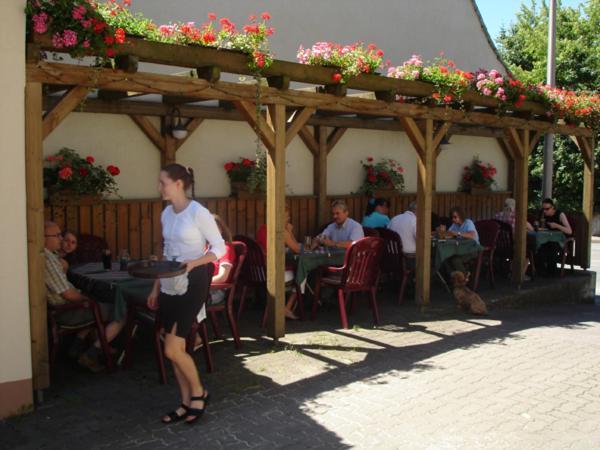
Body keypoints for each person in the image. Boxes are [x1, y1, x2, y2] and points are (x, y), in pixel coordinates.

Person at [146, 164, 226, 425]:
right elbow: (167, 253)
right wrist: (156, 287)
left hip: (193, 282)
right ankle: (185, 402)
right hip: (170, 281)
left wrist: (194, 263)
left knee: (172, 348)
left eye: (163, 182)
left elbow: (219, 248)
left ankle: (199, 392)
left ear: (179, 183)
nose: (159, 187)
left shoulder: (197, 212)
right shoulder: (166, 213)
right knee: (174, 349)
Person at [44, 221, 124, 372]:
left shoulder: (50, 256)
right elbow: (68, 294)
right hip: (65, 311)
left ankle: (77, 345)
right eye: (57, 236)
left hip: (64, 307)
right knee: (121, 310)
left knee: (98, 301)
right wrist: (89, 301)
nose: (61, 240)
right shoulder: (48, 260)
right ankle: (92, 353)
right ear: (43, 238)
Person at [255, 206, 302, 319]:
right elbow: (297, 249)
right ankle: (287, 307)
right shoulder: (282, 232)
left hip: (260, 273)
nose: (288, 218)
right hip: (275, 274)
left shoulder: (262, 228)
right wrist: (290, 231)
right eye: (287, 216)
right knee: (302, 273)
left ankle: (285, 307)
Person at [536, 198, 572, 275]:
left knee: (551, 247)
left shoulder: (560, 214)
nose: (545, 211)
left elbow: (569, 231)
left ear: (553, 207)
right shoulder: (542, 214)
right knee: (538, 246)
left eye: (547, 209)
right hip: (546, 238)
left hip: (559, 240)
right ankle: (541, 270)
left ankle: (552, 272)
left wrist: (557, 225)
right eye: (543, 209)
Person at [442, 206, 480, 277]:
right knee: (446, 257)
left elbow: (472, 235)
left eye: (455, 217)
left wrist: (457, 233)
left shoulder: (468, 222)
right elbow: (448, 234)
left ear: (461, 216)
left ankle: (464, 279)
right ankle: (453, 278)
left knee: (455, 260)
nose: (453, 219)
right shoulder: (455, 224)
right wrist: (441, 233)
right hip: (461, 249)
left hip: (472, 249)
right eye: (452, 217)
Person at [388, 201, 417, 267]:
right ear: (418, 210)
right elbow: (421, 240)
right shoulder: (415, 220)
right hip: (409, 258)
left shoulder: (394, 218)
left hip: (391, 255)